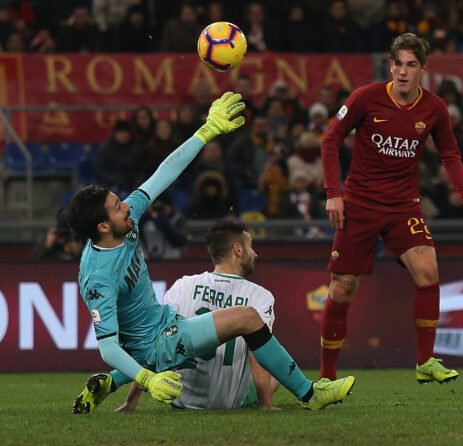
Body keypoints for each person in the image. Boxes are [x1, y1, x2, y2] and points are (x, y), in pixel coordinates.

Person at [66, 92, 354, 414]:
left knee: (219, 327)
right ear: (103, 227)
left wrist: (205, 132)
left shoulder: (125, 219)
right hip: (158, 344)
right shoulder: (97, 276)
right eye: (117, 207)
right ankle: (310, 394)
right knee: (247, 317)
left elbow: (164, 173)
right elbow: (107, 346)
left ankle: (107, 384)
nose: (127, 206)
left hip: (161, 324)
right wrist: (148, 380)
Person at [319, 33, 463, 383]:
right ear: (390, 65)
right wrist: (333, 193)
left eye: (412, 65)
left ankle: (425, 362)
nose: (404, 71)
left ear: (423, 69)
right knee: (342, 288)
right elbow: (331, 139)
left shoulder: (435, 108)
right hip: (359, 203)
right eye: (398, 64)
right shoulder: (365, 98)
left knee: (428, 270)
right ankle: (326, 377)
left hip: (403, 205)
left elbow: (451, 155)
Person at [114, 219, 281, 411]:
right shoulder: (260, 295)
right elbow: (258, 354)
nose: (255, 253)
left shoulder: (182, 286)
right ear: (238, 249)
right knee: (276, 370)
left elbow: (158, 345)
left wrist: (131, 401)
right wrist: (266, 404)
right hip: (228, 403)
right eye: (251, 247)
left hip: (181, 400)